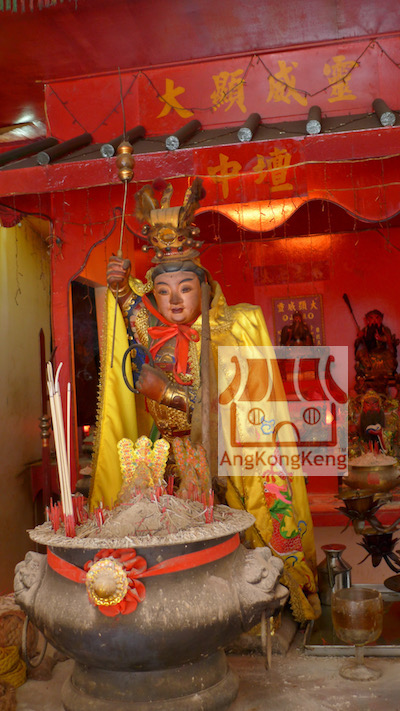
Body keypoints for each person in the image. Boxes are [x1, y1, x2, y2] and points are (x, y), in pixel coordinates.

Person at [90, 177, 320, 624]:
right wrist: (119, 286)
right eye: (163, 291)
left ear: (205, 290)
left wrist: (166, 392)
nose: (174, 300)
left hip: (217, 460)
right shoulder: (152, 330)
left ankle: (241, 608)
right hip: (164, 460)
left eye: (185, 288)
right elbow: (131, 309)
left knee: (224, 543)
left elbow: (233, 414)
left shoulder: (229, 332)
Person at [354, 309, 398, 390]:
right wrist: (361, 337)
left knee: (390, 357)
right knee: (360, 354)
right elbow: (358, 343)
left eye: (377, 318)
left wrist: (382, 338)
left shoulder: (385, 329)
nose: (374, 321)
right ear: (367, 320)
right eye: (371, 318)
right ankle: (367, 370)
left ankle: (387, 373)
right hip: (369, 352)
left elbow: (390, 341)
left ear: (381, 319)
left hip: (382, 352)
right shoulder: (365, 330)